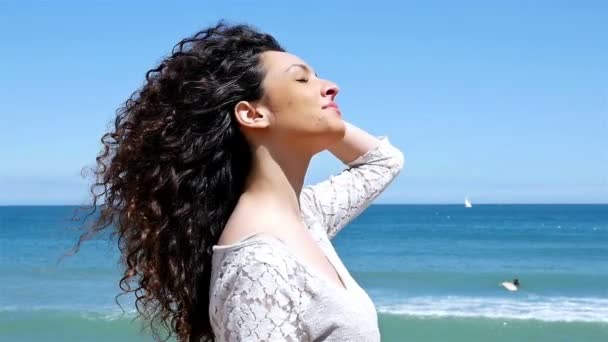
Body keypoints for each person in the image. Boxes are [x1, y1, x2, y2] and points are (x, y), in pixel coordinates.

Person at [65, 20, 404, 341]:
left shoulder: (303, 215)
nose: (331, 86)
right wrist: (323, 121)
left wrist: (325, 119)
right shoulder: (258, 266)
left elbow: (382, 162)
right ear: (252, 114)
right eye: (302, 80)